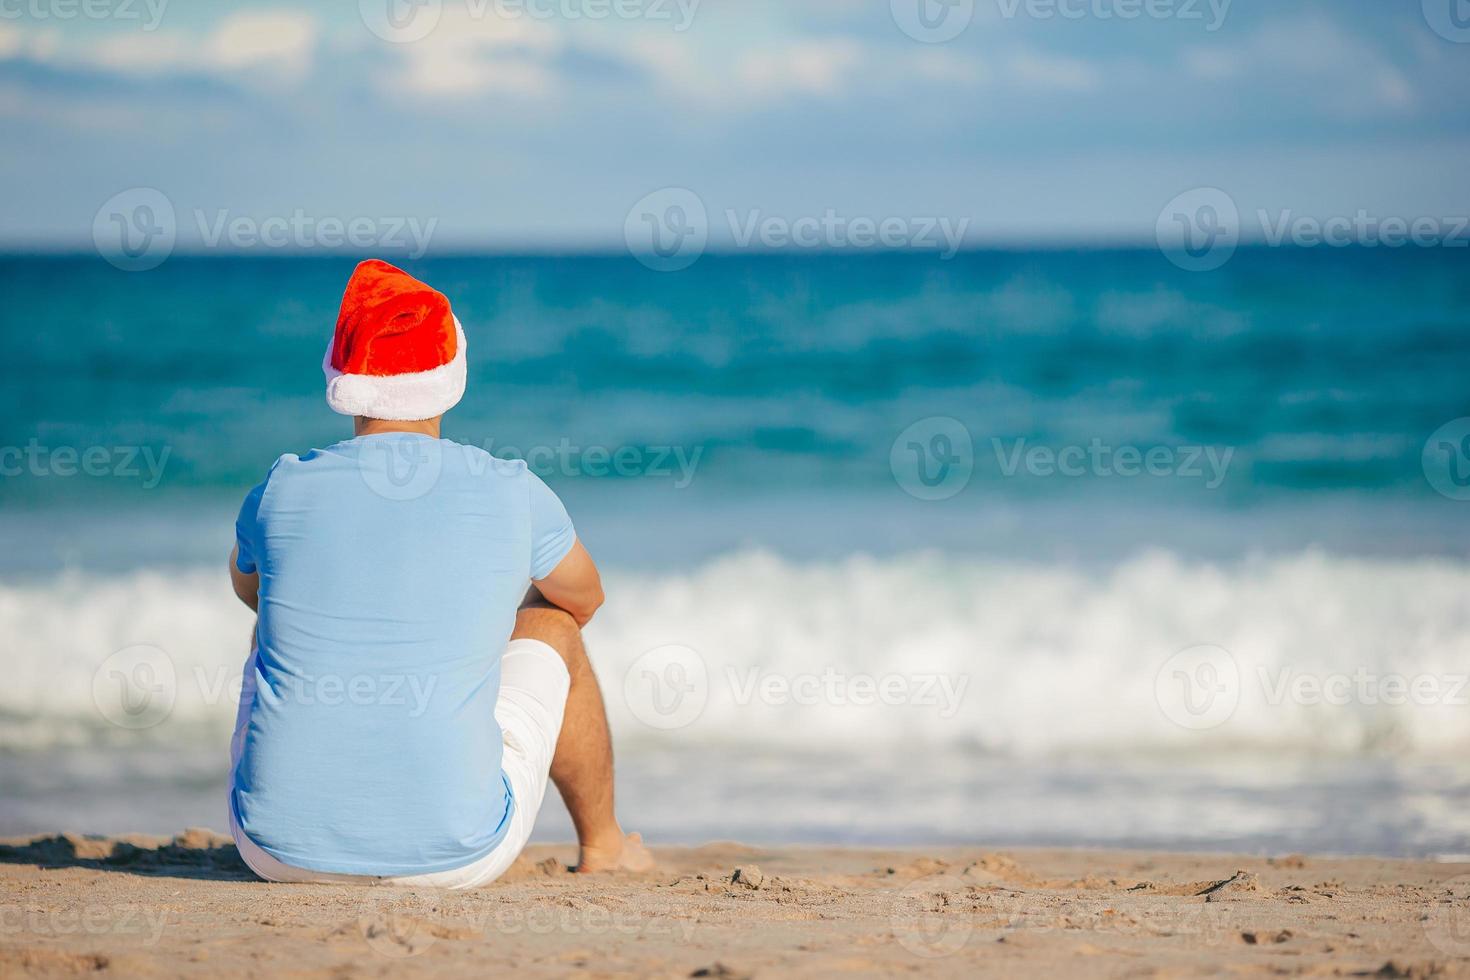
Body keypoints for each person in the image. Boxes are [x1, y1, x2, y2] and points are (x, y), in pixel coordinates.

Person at [225, 259, 651, 887]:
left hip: (272, 853)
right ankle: (607, 846)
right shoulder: (512, 489)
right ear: (451, 375)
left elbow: (251, 594)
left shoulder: (281, 485)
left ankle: (305, 806)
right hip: (460, 855)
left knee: (274, 629)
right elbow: (585, 599)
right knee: (556, 624)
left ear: (341, 375)